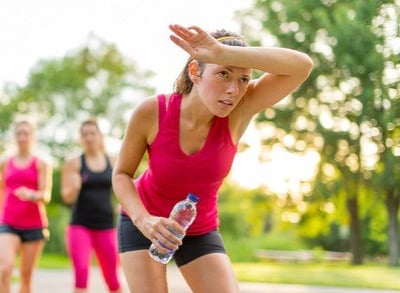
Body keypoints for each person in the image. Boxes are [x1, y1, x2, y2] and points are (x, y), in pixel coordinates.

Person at [112, 24, 313, 292]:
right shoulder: (152, 111)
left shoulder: (242, 108)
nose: (234, 89)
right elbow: (122, 174)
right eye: (223, 74)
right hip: (145, 222)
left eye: (243, 79)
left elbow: (302, 66)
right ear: (195, 72)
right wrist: (144, 220)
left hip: (199, 229)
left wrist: (222, 53)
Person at [61, 118, 122, 293]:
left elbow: (124, 187)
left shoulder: (113, 161)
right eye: (84, 134)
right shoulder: (74, 163)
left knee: (112, 278)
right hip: (80, 225)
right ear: (81, 138)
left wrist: (123, 205)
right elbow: (67, 197)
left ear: (100, 136)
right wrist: (74, 187)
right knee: (81, 274)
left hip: (106, 225)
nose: (89, 137)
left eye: (92, 133)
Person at [0, 119, 52, 293]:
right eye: (19, 133)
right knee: (4, 269)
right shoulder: (5, 162)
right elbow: (2, 191)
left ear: (32, 136)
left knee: (26, 275)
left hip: (34, 225)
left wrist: (31, 194)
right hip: (8, 223)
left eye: (26, 133)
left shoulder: (41, 163)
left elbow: (46, 195)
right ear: (14, 136)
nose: (22, 137)